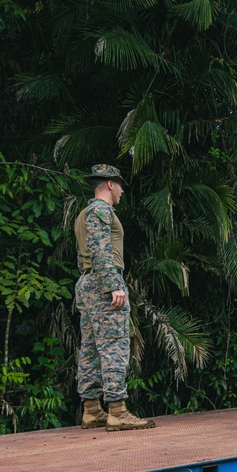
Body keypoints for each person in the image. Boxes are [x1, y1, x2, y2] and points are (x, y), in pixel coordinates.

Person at [74, 164, 155, 431]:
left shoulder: (84, 213)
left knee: (91, 347)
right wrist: (113, 285)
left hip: (88, 281)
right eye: (119, 185)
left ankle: (91, 410)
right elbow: (100, 248)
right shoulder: (101, 210)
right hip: (103, 282)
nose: (121, 190)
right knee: (114, 345)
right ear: (109, 184)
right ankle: (117, 410)